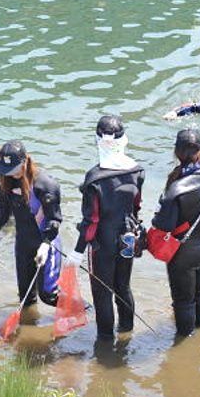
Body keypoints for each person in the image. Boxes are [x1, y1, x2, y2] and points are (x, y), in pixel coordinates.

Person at [66, 115, 145, 340]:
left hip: (103, 244)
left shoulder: (94, 179)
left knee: (102, 292)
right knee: (123, 286)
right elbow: (136, 206)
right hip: (128, 238)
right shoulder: (136, 171)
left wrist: (77, 251)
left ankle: (105, 340)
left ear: (98, 140)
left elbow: (92, 220)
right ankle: (127, 332)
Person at [151, 129, 200, 337]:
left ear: (176, 152)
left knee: (183, 302)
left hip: (183, 254)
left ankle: (183, 343)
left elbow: (163, 225)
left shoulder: (175, 189)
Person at [0, 140, 62, 307]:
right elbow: (2, 209)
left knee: (49, 295)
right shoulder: (6, 181)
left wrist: (45, 244)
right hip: (23, 241)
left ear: (25, 162)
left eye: (14, 169)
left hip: (46, 241)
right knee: (25, 295)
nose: (11, 175)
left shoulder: (45, 184)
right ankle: (30, 326)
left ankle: (85, 311)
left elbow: (55, 219)